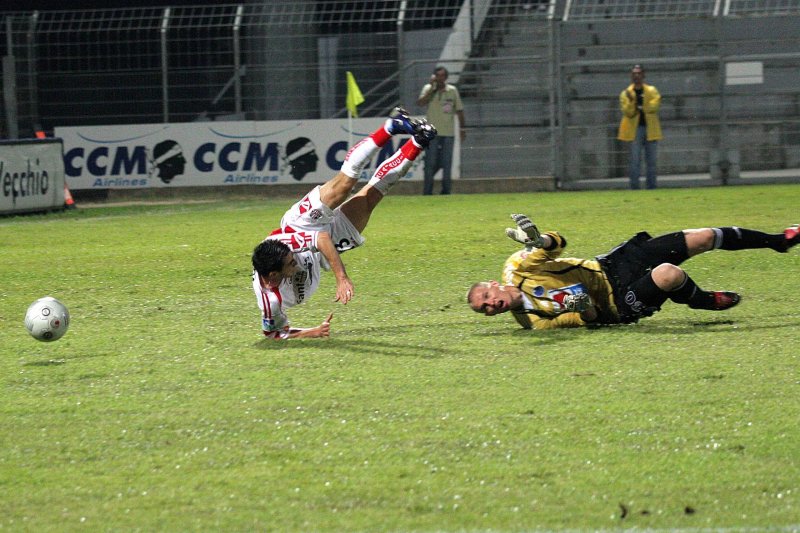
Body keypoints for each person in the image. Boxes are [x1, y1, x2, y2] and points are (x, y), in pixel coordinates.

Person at [251, 108, 437, 339]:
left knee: (343, 185)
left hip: (301, 224)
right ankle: (418, 143)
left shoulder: (285, 243)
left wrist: (342, 278)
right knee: (372, 196)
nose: (295, 263)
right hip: (318, 257)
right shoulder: (270, 302)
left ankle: (391, 126)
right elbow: (273, 334)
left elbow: (320, 238)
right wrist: (313, 332)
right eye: (290, 264)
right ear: (272, 276)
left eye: (292, 259)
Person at [467, 213, 800, 330]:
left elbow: (558, 244)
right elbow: (593, 319)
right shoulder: (534, 320)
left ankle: (776, 241)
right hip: (617, 306)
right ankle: (701, 300)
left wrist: (540, 239)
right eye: (484, 309)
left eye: (485, 296)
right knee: (668, 274)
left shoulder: (516, 267)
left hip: (611, 265)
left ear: (493, 284)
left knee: (704, 237)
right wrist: (582, 307)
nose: (489, 304)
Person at [416, 66, 465, 195]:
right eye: (437, 76)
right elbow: (420, 103)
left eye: (442, 76)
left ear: (446, 77)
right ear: (434, 77)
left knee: (447, 163)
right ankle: (427, 191)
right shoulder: (428, 89)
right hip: (431, 134)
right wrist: (432, 89)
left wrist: (462, 128)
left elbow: (459, 111)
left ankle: (446, 191)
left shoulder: (452, 91)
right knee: (430, 162)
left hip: (448, 133)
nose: (440, 78)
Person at [617, 64, 662, 190]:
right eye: (634, 74)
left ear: (643, 75)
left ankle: (651, 187)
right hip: (634, 130)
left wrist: (641, 107)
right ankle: (634, 187)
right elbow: (628, 112)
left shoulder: (652, 90)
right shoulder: (626, 93)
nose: (636, 76)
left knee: (651, 161)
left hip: (650, 128)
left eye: (639, 73)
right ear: (631, 76)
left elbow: (655, 106)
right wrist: (634, 102)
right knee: (634, 161)